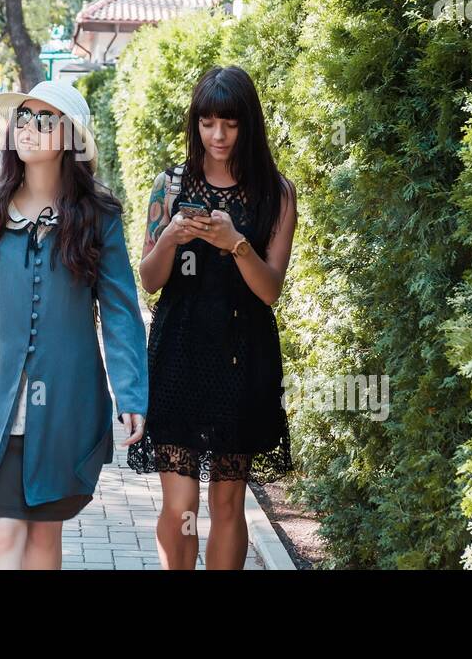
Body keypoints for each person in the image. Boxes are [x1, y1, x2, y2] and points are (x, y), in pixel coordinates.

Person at [0, 80, 148, 569]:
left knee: (42, 543)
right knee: (3, 540)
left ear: (71, 137)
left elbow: (120, 311)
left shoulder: (98, 218)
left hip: (64, 407)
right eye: (24, 119)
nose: (30, 130)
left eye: (45, 120)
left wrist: (132, 393)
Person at [127, 65, 297, 570]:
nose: (218, 135)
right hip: (178, 356)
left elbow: (270, 291)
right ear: (194, 124)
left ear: (249, 124)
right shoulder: (171, 183)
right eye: (206, 123)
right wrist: (173, 237)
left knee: (227, 504)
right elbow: (150, 279)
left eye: (230, 123)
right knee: (180, 506)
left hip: (241, 360)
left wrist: (235, 244)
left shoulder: (275, 194)